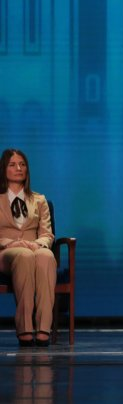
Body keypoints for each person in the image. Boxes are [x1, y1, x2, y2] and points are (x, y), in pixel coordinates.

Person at [0, 148, 56, 347]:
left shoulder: (39, 200)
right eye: (13, 165)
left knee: (46, 256)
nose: (19, 168)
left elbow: (47, 234)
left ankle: (43, 329)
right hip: (5, 252)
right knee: (23, 255)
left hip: (33, 247)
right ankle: (24, 328)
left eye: (22, 164)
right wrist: (10, 243)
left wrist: (37, 244)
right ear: (3, 169)